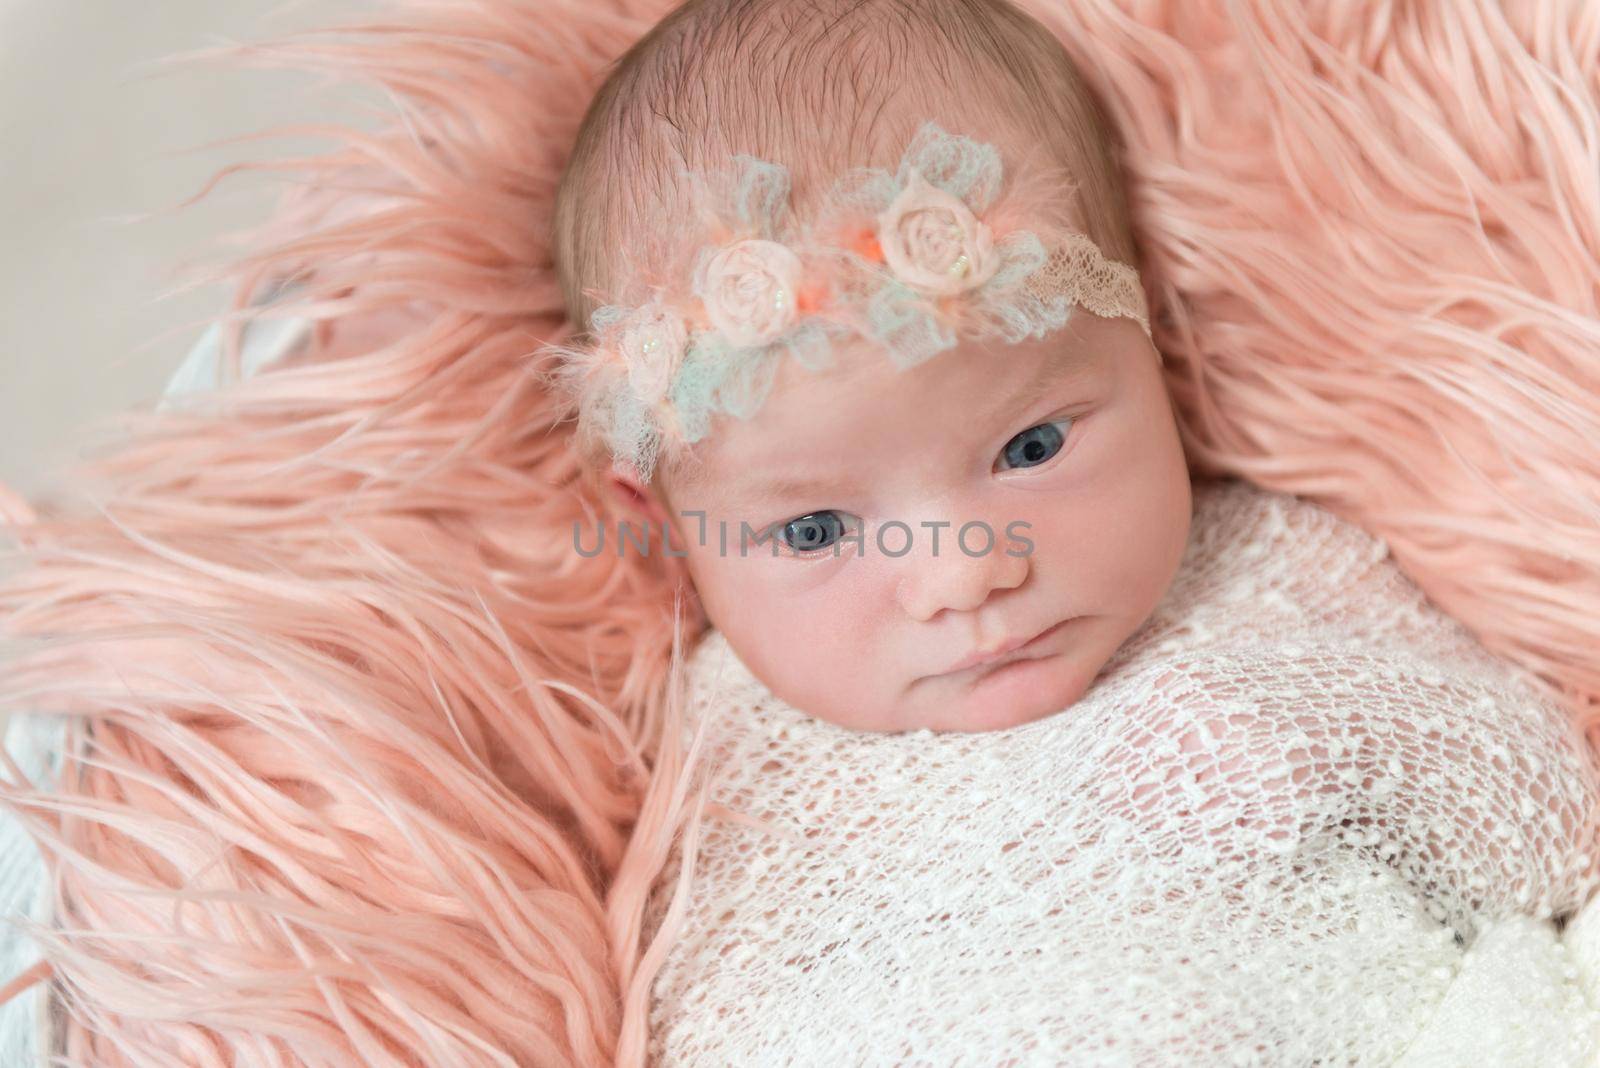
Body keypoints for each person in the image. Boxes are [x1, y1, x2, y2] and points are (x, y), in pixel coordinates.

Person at [540, 0, 1600, 1062]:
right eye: (814, 530)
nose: (961, 578)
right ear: (669, 528)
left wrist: (1337, 736)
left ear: (1146, 343)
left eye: (1033, 448)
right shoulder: (724, 754)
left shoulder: (1272, 568)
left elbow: (1553, 826)